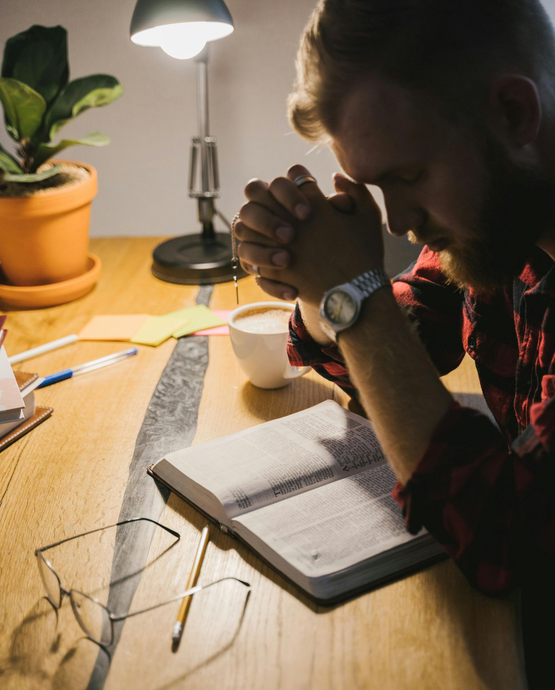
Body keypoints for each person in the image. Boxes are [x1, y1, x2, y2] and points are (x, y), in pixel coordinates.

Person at [234, 0, 555, 684]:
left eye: (408, 178)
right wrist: (317, 283)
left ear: (512, 114)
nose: (401, 223)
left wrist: (351, 295)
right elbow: (421, 324)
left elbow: (507, 538)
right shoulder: (503, 216)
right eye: (378, 188)